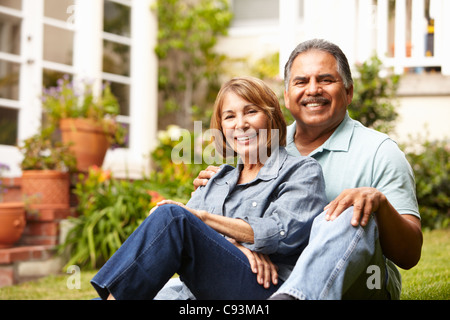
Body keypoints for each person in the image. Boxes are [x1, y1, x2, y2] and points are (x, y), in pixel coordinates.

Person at [194, 39, 423, 300]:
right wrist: (220, 189)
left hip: (358, 285)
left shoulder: (380, 151)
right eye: (301, 82)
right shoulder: (262, 144)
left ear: (348, 92)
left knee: (348, 208)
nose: (313, 90)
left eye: (326, 80)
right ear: (287, 96)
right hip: (269, 278)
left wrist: (379, 205)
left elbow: (410, 254)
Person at [90, 76, 327, 300]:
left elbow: (281, 232)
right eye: (229, 117)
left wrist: (206, 220)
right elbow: (171, 233)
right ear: (222, 127)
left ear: (271, 117)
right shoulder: (218, 178)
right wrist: (233, 246)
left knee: (174, 217)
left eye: (251, 112)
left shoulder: (302, 171)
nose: (241, 124)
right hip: (204, 291)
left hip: (266, 287)